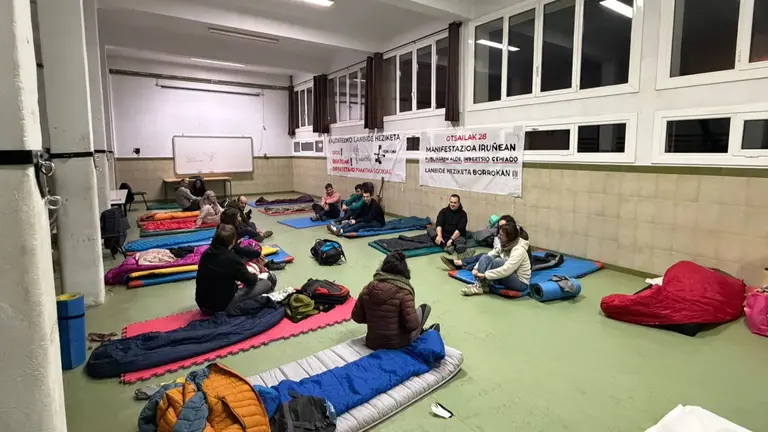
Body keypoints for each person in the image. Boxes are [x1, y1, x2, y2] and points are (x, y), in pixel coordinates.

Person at [351, 251, 439, 350]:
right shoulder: (404, 292)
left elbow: (357, 317)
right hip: (397, 344)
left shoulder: (367, 288)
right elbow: (412, 326)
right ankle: (428, 334)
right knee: (424, 308)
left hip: (372, 342)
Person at [195, 225, 275, 314]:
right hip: (220, 307)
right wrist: (257, 275)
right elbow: (250, 281)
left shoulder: (206, 253)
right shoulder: (232, 258)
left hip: (202, 304)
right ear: (233, 241)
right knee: (266, 283)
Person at [461, 223, 531, 296]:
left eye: (501, 235)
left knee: (498, 262)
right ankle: (481, 285)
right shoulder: (505, 244)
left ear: (508, 237)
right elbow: (490, 254)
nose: (498, 236)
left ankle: (481, 285)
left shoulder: (519, 250)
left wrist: (485, 275)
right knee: (485, 257)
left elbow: (506, 270)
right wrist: (475, 268)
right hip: (506, 276)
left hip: (520, 283)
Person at [440, 214, 524, 271]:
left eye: (504, 226)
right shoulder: (500, 236)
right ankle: (460, 263)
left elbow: (507, 260)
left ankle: (462, 265)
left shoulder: (517, 240)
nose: (501, 229)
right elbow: (497, 250)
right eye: (500, 227)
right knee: (483, 256)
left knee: (488, 260)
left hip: (507, 264)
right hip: (502, 258)